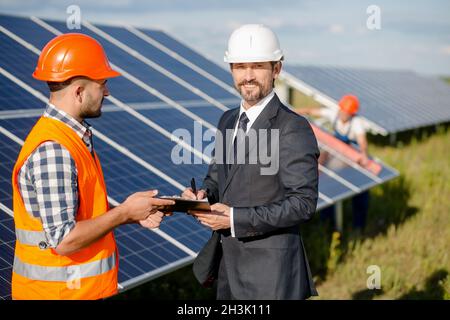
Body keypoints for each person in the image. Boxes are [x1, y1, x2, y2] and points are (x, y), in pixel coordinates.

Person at [11, 33, 174, 300]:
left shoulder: (71, 139)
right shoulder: (55, 149)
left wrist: (131, 213)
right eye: (102, 83)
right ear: (79, 91)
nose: (107, 91)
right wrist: (123, 213)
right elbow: (64, 239)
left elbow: (78, 216)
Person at [183, 24, 320, 299]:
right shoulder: (227, 120)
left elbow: (303, 204)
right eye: (239, 66)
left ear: (276, 69)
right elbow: (218, 178)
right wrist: (201, 197)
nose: (247, 76)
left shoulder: (293, 127)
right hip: (228, 270)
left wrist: (233, 218)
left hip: (272, 276)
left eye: (257, 66)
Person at [297, 95, 370, 230]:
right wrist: (295, 113)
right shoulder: (333, 113)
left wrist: (364, 156)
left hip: (354, 155)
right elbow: (311, 111)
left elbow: (362, 142)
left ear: (352, 114)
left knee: (360, 187)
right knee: (328, 180)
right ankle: (327, 220)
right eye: (342, 111)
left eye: (347, 114)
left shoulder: (357, 123)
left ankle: (358, 226)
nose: (343, 115)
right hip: (337, 151)